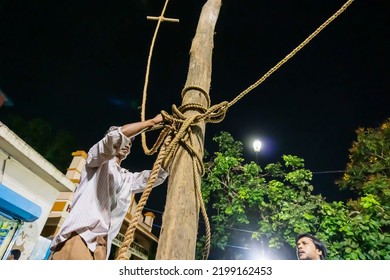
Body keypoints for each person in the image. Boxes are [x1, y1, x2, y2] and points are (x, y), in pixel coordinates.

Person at [50, 114, 169, 260]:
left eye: (131, 143)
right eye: (127, 140)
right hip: (80, 239)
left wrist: (171, 146)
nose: (128, 144)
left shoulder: (126, 178)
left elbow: (156, 175)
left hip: (102, 249)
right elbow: (116, 137)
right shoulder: (95, 160)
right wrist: (153, 122)